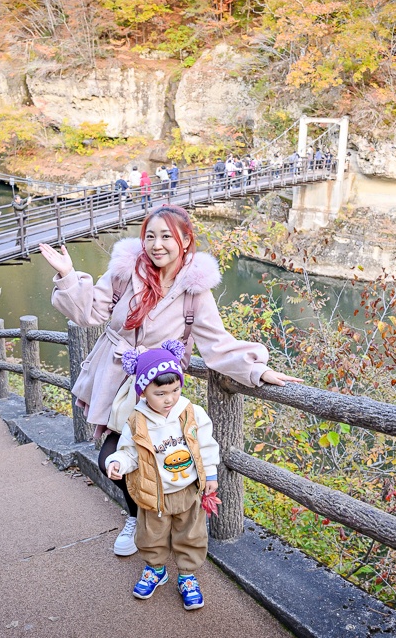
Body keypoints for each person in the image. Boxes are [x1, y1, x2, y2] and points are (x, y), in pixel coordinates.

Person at [37, 204, 301, 557]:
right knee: (111, 459)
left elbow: (217, 344)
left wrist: (256, 370)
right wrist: (68, 275)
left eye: (166, 236)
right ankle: (138, 517)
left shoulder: (194, 291)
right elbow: (89, 313)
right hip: (116, 379)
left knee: (157, 457)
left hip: (157, 390)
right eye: (150, 236)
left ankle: (157, 520)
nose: (156, 245)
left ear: (185, 241)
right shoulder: (125, 273)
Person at [105, 341, 218, 610]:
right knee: (151, 535)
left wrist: (211, 475)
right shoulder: (137, 420)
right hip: (154, 493)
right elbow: (130, 452)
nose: (169, 399)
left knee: (191, 534)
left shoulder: (191, 413)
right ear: (143, 392)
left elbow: (206, 446)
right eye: (161, 393)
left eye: (175, 390)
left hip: (188, 489)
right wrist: (117, 462)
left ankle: (187, 575)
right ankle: (156, 569)